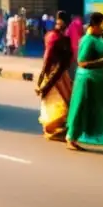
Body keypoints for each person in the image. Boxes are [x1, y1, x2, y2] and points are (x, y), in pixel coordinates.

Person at [65, 12, 103, 151]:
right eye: (101, 25)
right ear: (94, 25)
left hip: (100, 80)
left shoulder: (99, 38)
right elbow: (82, 62)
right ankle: (71, 137)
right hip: (87, 80)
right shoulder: (88, 40)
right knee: (80, 109)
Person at [35, 11, 73, 142]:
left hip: (57, 72)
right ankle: (54, 129)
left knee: (58, 101)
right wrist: (42, 78)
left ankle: (55, 129)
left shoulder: (53, 36)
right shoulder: (56, 38)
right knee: (60, 102)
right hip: (56, 73)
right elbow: (49, 57)